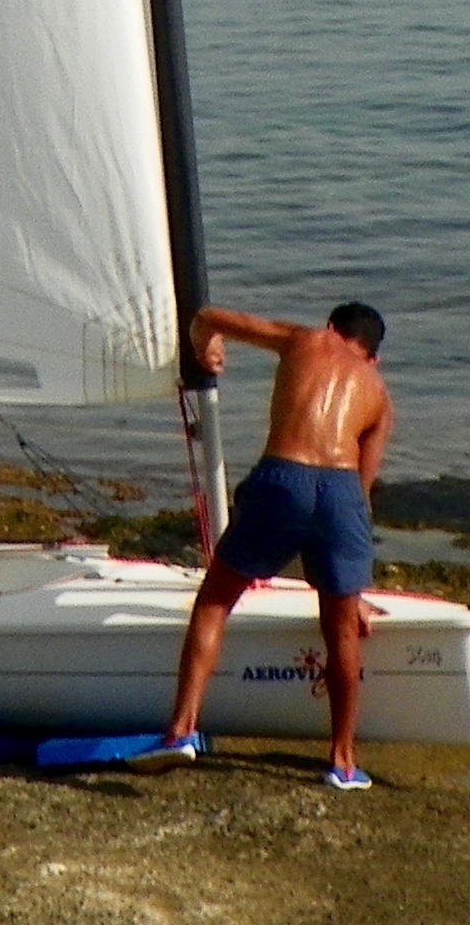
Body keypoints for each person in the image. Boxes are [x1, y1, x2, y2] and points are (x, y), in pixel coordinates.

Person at [154, 300, 393, 787]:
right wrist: (354, 594)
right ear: (374, 358)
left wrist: (207, 346)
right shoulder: (381, 396)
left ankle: (180, 732)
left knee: (217, 599)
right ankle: (343, 762)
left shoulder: (305, 340)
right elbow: (361, 498)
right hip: (342, 492)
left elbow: (210, 315)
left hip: (284, 477)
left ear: (331, 328)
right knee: (341, 629)